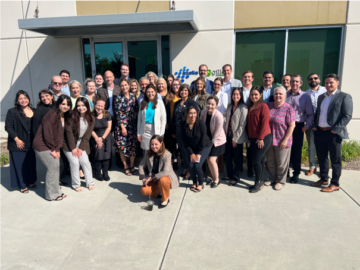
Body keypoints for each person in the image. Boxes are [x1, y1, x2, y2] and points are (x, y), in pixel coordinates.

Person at [311, 74, 353, 192]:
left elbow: (347, 116)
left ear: (337, 83)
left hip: (333, 133)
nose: (328, 85)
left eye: (331, 82)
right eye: (327, 83)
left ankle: (335, 183)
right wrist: (315, 126)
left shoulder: (344, 97)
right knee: (322, 157)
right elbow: (317, 113)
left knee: (335, 159)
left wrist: (336, 129)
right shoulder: (321, 97)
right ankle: (324, 179)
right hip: (319, 131)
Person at [33, 95, 72, 201]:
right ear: (58, 103)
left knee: (56, 167)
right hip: (42, 145)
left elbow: (59, 135)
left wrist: (58, 148)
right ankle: (51, 195)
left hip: (51, 145)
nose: (65, 106)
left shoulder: (62, 115)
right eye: (63, 104)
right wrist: (53, 149)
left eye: (68, 105)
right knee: (52, 167)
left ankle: (57, 191)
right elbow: (48, 134)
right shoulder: (52, 114)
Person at [5, 90, 37, 194]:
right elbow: (8, 127)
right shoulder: (12, 111)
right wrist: (17, 139)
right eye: (20, 99)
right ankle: (22, 184)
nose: (23, 100)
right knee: (19, 164)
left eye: (25, 98)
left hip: (31, 141)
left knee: (30, 162)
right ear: (17, 101)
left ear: (28, 98)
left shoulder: (34, 110)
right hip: (18, 141)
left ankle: (30, 181)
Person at [265, 86, 295, 191]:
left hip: (282, 140)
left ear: (284, 96)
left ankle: (280, 181)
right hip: (269, 139)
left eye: (280, 94)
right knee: (271, 161)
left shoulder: (288, 108)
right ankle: (272, 178)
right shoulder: (268, 106)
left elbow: (291, 126)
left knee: (281, 162)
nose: (278, 95)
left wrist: (285, 140)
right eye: (276, 94)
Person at [62, 97, 95, 191]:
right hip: (68, 143)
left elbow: (88, 134)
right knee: (75, 163)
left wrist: (80, 148)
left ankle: (90, 182)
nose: (81, 108)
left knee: (85, 162)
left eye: (83, 105)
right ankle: (76, 184)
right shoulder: (71, 116)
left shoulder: (91, 118)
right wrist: (73, 148)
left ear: (87, 106)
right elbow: (68, 133)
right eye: (78, 105)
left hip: (81, 142)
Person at [286, 74, 314, 183]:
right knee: (285, 149)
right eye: (293, 81)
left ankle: (296, 173)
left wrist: (306, 127)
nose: (294, 83)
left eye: (297, 81)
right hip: (286, 126)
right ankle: (285, 171)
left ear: (301, 83)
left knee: (296, 151)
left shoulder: (305, 96)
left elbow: (310, 114)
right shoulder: (285, 95)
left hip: (298, 126)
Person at [139, 135, 179, 208]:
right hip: (155, 179)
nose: (154, 146)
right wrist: (143, 179)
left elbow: (165, 172)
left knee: (163, 180)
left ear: (161, 143)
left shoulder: (167, 154)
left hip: (166, 178)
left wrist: (150, 178)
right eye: (152, 144)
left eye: (156, 144)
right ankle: (160, 191)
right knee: (144, 190)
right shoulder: (148, 153)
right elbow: (141, 165)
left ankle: (165, 198)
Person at [247, 86, 272, 193]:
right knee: (260, 160)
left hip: (263, 137)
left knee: (255, 160)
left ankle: (258, 182)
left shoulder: (263, 106)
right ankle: (260, 181)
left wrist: (261, 138)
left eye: (256, 94)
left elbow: (264, 123)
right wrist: (249, 138)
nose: (254, 96)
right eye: (252, 94)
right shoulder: (250, 107)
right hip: (252, 138)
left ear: (261, 95)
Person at [172, 84, 199, 179]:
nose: (183, 92)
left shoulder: (191, 103)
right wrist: (173, 131)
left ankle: (190, 171)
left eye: (186, 90)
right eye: (182, 90)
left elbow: (195, 117)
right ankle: (185, 168)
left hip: (187, 130)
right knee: (182, 150)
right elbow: (173, 118)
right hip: (178, 130)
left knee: (188, 150)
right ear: (179, 92)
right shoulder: (177, 103)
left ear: (189, 92)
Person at [182, 106, 212, 192]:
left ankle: (201, 183)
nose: (193, 115)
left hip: (204, 147)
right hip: (192, 148)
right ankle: (194, 182)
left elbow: (203, 139)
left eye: (194, 113)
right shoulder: (184, 124)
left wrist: (198, 153)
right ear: (187, 114)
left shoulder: (200, 123)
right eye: (190, 113)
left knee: (198, 165)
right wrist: (191, 153)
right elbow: (185, 141)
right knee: (191, 165)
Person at [224, 88, 248, 186]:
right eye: (234, 94)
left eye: (237, 94)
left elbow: (242, 125)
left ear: (241, 96)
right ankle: (229, 174)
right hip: (228, 136)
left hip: (238, 138)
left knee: (238, 159)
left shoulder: (243, 108)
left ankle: (235, 177)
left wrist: (235, 139)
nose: (235, 96)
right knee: (227, 157)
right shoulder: (230, 106)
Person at [114, 79, 139, 176]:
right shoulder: (118, 98)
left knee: (132, 146)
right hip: (122, 126)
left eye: (126, 85)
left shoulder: (133, 96)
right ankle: (125, 166)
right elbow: (117, 114)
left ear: (128, 85)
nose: (124, 87)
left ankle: (132, 165)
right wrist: (122, 127)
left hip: (132, 125)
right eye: (122, 85)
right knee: (122, 147)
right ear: (120, 87)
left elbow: (136, 110)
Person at [200, 96, 226, 188]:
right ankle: (211, 177)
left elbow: (218, 132)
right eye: (208, 103)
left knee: (211, 159)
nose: (210, 106)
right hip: (207, 140)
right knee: (207, 159)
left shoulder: (219, 116)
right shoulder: (203, 112)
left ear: (216, 105)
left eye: (212, 104)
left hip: (218, 141)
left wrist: (211, 143)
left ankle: (216, 179)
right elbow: (201, 126)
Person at [304, 73, 326, 176]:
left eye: (315, 78)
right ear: (308, 81)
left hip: (323, 124)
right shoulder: (305, 94)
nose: (313, 80)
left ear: (319, 80)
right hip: (311, 124)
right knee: (311, 146)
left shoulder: (326, 91)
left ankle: (324, 168)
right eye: (311, 79)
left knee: (324, 147)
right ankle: (312, 166)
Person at [91, 98, 114, 181]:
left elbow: (109, 127)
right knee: (98, 155)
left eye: (102, 106)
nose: (100, 107)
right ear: (95, 105)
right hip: (95, 136)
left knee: (106, 156)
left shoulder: (107, 114)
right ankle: (98, 172)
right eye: (98, 105)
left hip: (106, 136)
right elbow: (90, 129)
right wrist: (98, 139)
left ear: (104, 107)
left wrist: (102, 138)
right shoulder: (91, 115)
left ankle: (105, 172)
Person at [137, 84, 166, 151]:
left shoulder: (160, 103)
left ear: (155, 92)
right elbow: (140, 119)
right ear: (145, 93)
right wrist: (139, 133)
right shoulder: (142, 103)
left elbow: (163, 119)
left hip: (156, 130)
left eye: (152, 91)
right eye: (148, 92)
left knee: (156, 150)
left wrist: (162, 134)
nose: (150, 94)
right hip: (145, 131)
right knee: (146, 151)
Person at [164, 78, 181, 169]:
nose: (175, 86)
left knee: (181, 143)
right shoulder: (169, 96)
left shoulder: (183, 95)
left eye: (177, 84)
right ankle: (174, 160)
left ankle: (182, 159)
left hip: (181, 125)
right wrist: (166, 122)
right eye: (174, 85)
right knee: (172, 143)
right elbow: (166, 111)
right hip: (171, 123)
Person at [240, 71, 254, 177]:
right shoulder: (238, 91)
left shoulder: (256, 90)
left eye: (249, 77)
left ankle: (250, 168)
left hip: (251, 123)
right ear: (242, 78)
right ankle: (239, 166)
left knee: (250, 147)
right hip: (240, 122)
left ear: (252, 79)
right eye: (245, 77)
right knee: (239, 146)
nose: (247, 79)